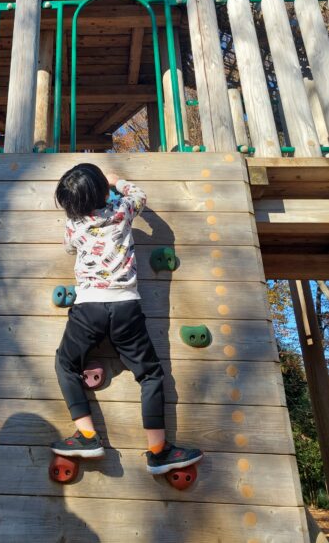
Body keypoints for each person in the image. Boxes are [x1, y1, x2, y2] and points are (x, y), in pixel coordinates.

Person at [51, 163, 203, 475]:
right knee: (150, 375)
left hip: (88, 307)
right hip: (125, 307)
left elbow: (69, 249)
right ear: (101, 191)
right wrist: (116, 181)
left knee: (65, 363)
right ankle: (159, 451)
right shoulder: (122, 210)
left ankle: (88, 436)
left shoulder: (73, 224)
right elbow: (140, 195)